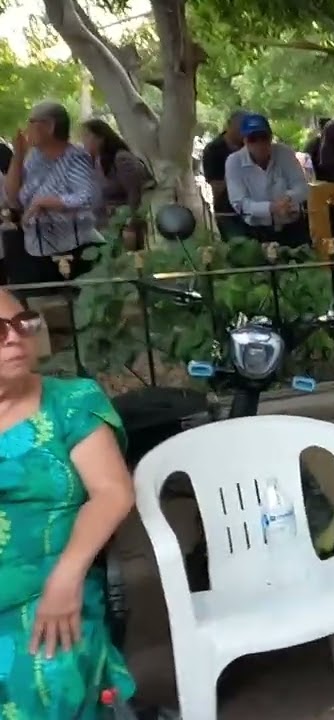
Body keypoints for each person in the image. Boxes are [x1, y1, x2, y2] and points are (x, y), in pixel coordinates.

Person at [0, 289, 137, 717]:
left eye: (21, 324)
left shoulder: (71, 402)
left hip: (51, 590)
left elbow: (113, 492)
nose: (14, 338)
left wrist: (66, 578)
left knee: (41, 680)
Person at [4, 101, 102, 288]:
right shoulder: (34, 158)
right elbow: (12, 197)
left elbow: (88, 197)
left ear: (49, 126)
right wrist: (18, 156)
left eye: (31, 122)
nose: (27, 129)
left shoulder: (75, 157)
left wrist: (47, 202)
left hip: (74, 251)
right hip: (36, 251)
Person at [223, 113, 311, 247]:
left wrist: (287, 199)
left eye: (263, 137)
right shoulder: (234, 162)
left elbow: (302, 186)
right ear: (245, 141)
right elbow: (239, 202)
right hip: (256, 231)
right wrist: (271, 208)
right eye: (253, 139)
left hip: (292, 227)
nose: (259, 144)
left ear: (270, 138)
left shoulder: (285, 153)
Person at [80, 119, 151, 246]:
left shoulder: (121, 159)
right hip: (100, 227)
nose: (83, 141)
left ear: (100, 138)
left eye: (86, 136)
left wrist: (131, 225)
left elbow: (135, 193)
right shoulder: (95, 162)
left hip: (121, 226)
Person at [202, 109, 246, 239]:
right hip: (228, 211)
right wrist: (234, 175)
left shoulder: (249, 146)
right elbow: (216, 187)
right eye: (240, 128)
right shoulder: (213, 150)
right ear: (229, 126)